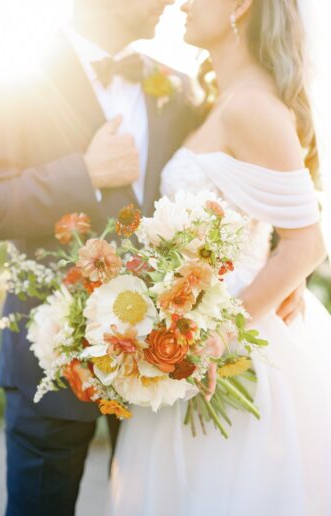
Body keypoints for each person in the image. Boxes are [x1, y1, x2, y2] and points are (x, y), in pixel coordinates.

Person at [0, 1, 198, 514]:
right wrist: (81, 175)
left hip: (158, 365)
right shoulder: (12, 74)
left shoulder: (177, 88)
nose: (170, 3)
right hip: (51, 358)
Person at [106, 1, 331, 515]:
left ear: (240, 5)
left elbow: (307, 242)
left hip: (234, 352)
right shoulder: (221, 100)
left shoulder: (253, 105)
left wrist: (215, 341)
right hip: (189, 339)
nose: (182, 3)